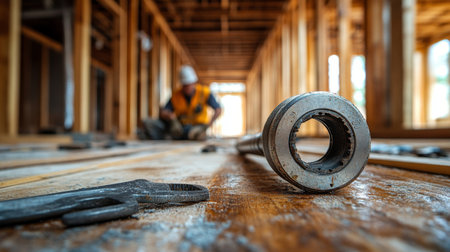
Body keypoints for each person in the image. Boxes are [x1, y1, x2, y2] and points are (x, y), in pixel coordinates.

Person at [140, 65, 222, 140]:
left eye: (188, 85)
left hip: (197, 126)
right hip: (179, 127)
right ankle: (170, 135)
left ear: (194, 82)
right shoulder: (176, 96)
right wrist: (172, 118)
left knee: (194, 134)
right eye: (184, 85)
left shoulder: (204, 92)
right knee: (149, 123)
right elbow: (163, 112)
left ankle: (193, 135)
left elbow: (218, 109)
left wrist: (209, 124)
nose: (186, 88)